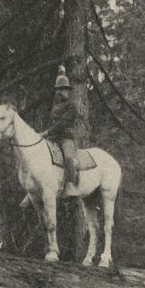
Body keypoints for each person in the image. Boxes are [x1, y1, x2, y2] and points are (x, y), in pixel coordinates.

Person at [44, 65, 80, 194]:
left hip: (66, 137)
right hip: (53, 138)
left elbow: (63, 123)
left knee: (68, 156)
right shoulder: (55, 108)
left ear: (68, 91)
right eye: (58, 90)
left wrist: (48, 132)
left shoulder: (72, 106)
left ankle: (71, 185)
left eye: (64, 89)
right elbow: (51, 123)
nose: (61, 92)